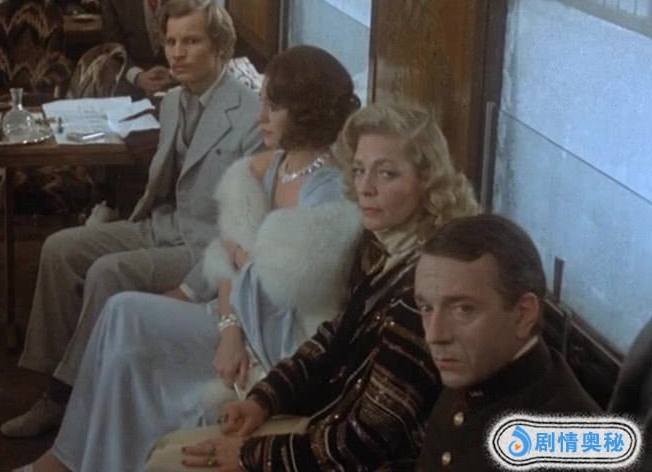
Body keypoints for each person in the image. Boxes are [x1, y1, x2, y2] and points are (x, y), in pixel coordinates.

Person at [20, 46, 363, 472]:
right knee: (122, 311)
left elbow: (280, 285)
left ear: (306, 113)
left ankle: (76, 462)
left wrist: (243, 257)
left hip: (279, 343)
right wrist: (229, 326)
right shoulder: (270, 166)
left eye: (273, 107)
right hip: (239, 320)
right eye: (262, 102)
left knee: (131, 336)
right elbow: (231, 264)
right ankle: (70, 458)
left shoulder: (329, 191)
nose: (260, 117)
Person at [1, 0, 262, 439]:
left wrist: (192, 287)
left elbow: (243, 229)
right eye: (171, 42)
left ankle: (65, 398)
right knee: (60, 249)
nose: (177, 53)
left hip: (204, 248)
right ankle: (61, 374)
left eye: (191, 42)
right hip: (160, 224)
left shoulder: (251, 116)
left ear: (220, 47)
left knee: (108, 271)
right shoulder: (173, 101)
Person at [167, 103, 481, 472]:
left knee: (171, 462)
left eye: (386, 173)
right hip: (329, 432)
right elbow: (330, 342)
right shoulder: (386, 252)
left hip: (370, 459)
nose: (365, 188)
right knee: (169, 449)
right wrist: (264, 400)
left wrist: (249, 456)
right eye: (359, 170)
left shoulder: (426, 287)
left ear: (427, 181)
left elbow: (369, 440)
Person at [414, 214, 599, 472]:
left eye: (463, 309)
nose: (434, 335)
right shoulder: (476, 373)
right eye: (426, 308)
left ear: (523, 314)